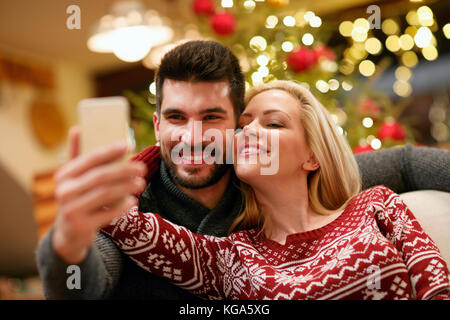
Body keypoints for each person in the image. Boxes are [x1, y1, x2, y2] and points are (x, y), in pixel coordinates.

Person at [36, 40, 450, 299]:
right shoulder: (233, 254)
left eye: (212, 117)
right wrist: (69, 240)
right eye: (177, 117)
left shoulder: (369, 203)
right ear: (158, 124)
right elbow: (88, 279)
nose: (194, 137)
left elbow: (405, 162)